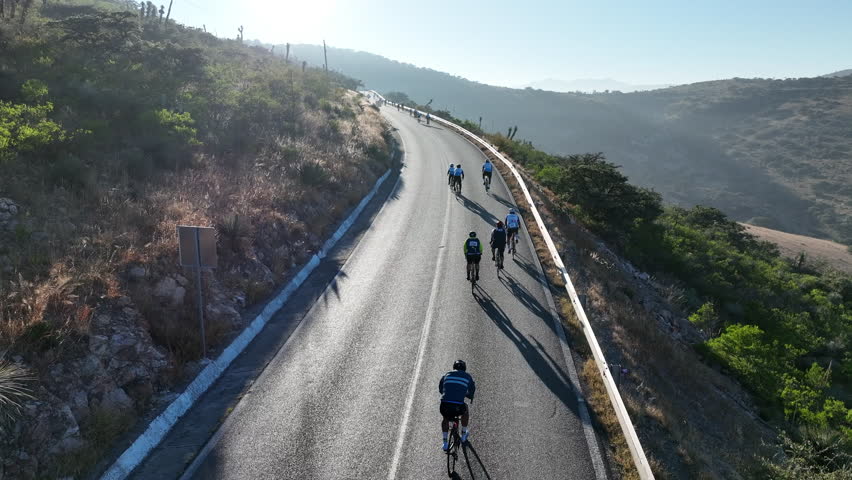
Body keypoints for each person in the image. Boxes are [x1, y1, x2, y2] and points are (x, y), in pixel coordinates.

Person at [439, 359, 476, 450]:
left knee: (445, 418)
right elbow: (471, 391)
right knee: (465, 409)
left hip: (444, 405)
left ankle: (445, 443)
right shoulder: (467, 376)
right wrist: (467, 395)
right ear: (464, 368)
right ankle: (463, 434)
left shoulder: (446, 374)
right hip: (458, 406)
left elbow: (441, 389)